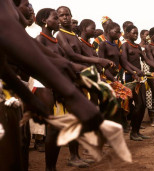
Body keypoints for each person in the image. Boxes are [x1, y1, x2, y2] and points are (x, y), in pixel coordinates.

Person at [35, 8, 92, 169]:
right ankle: (50, 168)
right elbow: (42, 68)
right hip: (48, 89)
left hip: (61, 87)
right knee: (54, 131)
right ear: (45, 20)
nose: (59, 20)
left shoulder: (53, 41)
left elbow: (64, 65)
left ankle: (69, 159)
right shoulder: (40, 40)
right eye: (56, 17)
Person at [121, 25, 154, 140]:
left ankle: (136, 131)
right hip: (131, 77)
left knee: (142, 104)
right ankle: (133, 133)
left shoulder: (138, 47)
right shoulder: (125, 45)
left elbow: (146, 59)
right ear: (127, 33)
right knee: (138, 105)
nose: (135, 35)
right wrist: (134, 72)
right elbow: (124, 62)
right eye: (133, 33)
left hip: (140, 77)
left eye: (136, 33)